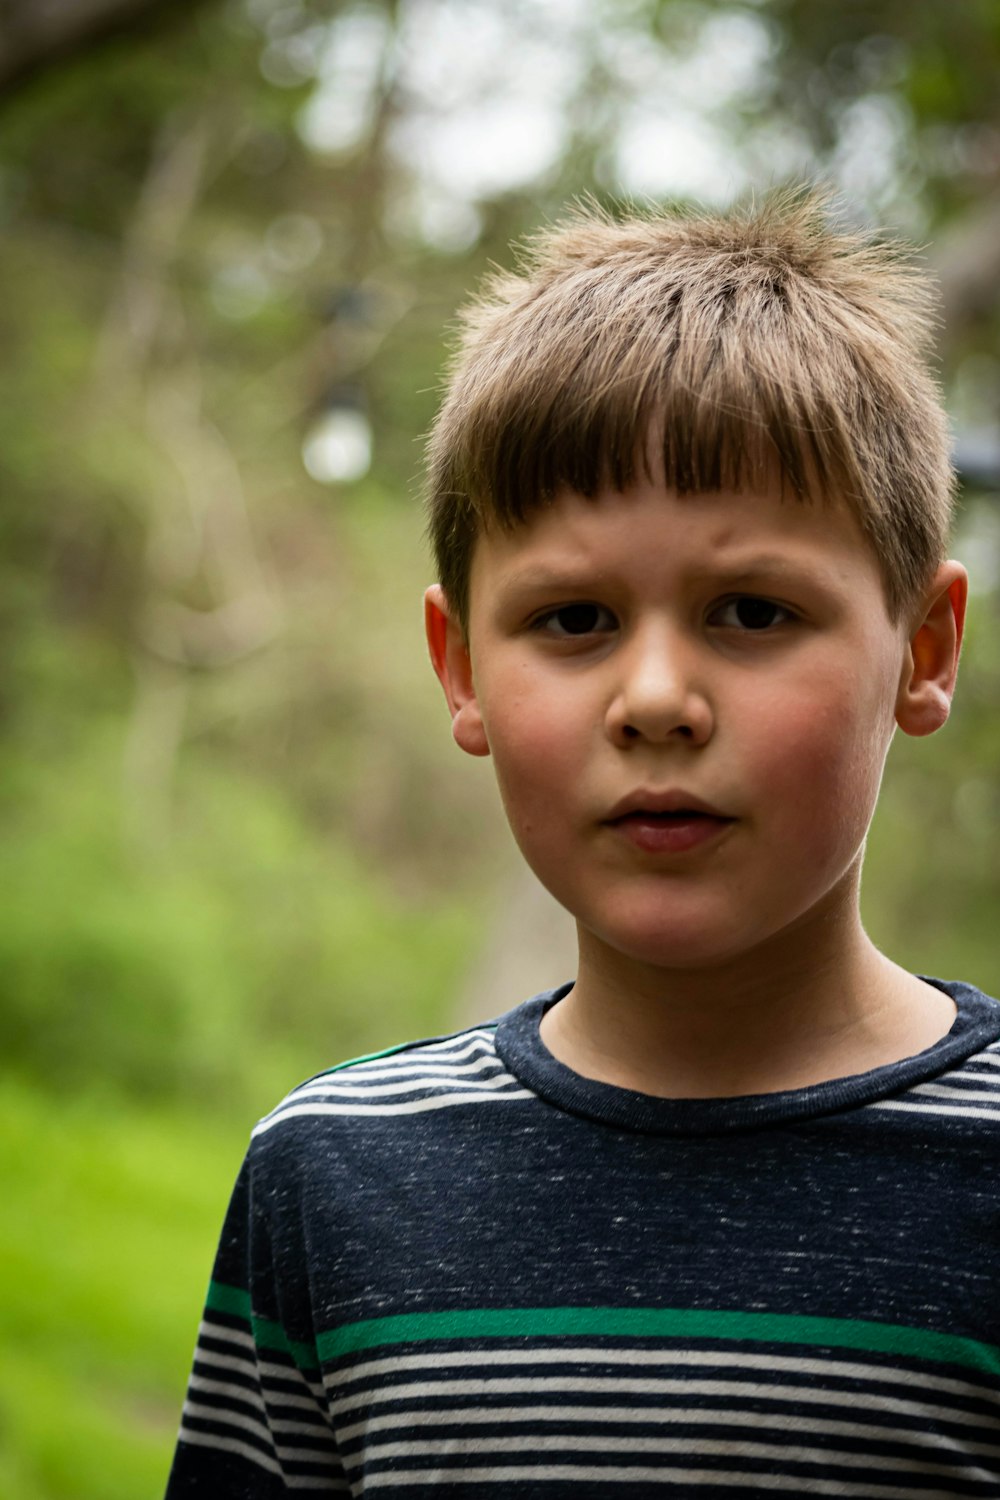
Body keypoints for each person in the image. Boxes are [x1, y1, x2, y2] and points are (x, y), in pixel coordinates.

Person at [164, 187, 1000, 1498]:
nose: (656, 697)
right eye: (572, 621)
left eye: (751, 609)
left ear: (925, 648)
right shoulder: (328, 1178)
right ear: (462, 672)